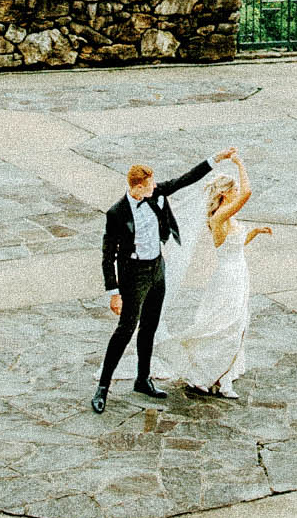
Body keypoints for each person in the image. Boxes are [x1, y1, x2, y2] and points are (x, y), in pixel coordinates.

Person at [92, 147, 238, 413]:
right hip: (132, 275)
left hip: (157, 269)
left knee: (150, 326)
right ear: (137, 187)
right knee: (126, 330)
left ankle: (143, 378)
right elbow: (107, 255)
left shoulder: (156, 194)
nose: (155, 187)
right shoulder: (116, 213)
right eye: (149, 184)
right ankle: (103, 386)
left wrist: (216, 159)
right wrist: (114, 292)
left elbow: (185, 179)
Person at [155, 153, 270, 399]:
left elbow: (235, 244)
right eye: (234, 189)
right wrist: (240, 163)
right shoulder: (218, 218)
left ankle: (218, 375)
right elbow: (248, 193)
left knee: (237, 322)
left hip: (239, 274)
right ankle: (213, 376)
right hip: (228, 278)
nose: (238, 191)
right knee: (225, 324)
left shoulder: (229, 219)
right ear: (225, 193)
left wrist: (255, 232)